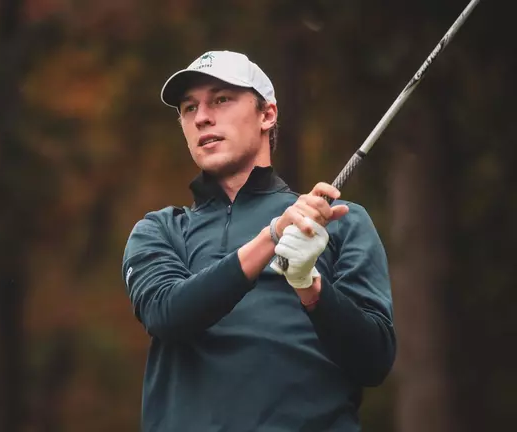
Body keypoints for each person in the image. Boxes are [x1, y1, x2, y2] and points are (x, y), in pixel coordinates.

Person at [121, 50, 395, 431]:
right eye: (188, 108)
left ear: (267, 114)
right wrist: (271, 238)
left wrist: (310, 287)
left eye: (221, 99)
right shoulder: (160, 230)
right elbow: (167, 314)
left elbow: (374, 360)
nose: (202, 117)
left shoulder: (339, 222)